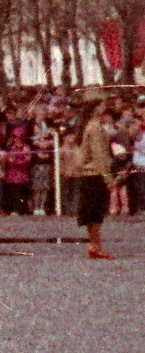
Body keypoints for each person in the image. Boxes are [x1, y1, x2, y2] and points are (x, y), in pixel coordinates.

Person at [78, 96, 115, 258]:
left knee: (91, 211)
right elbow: (99, 155)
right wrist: (108, 177)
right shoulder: (96, 128)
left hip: (88, 173)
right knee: (95, 212)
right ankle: (95, 245)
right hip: (95, 173)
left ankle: (94, 244)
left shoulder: (89, 126)